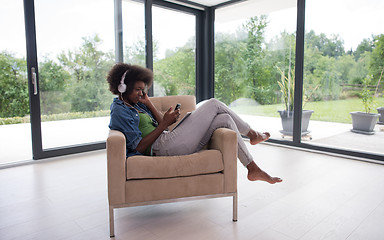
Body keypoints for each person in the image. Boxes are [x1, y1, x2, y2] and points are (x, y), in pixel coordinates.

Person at [107, 63, 282, 184]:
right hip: (162, 148)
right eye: (137, 90)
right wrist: (162, 125)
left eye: (142, 90)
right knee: (213, 103)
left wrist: (150, 104)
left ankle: (252, 168)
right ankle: (252, 134)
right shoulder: (120, 110)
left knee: (225, 119)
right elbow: (137, 147)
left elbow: (166, 127)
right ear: (122, 88)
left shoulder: (136, 104)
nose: (141, 93)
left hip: (168, 139)